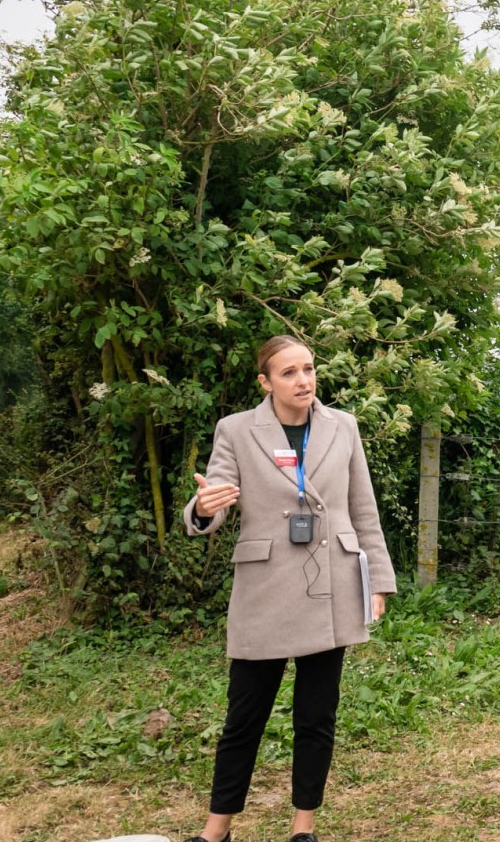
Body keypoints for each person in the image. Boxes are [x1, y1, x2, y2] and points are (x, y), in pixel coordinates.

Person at [181, 335, 398, 842]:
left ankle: (303, 829)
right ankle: (216, 832)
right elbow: (213, 502)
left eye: (308, 369)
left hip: (335, 583)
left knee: (316, 716)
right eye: (288, 373)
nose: (303, 380)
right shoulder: (235, 430)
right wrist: (205, 508)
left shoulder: (343, 426)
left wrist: (379, 582)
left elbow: (363, 508)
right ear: (266, 382)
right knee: (243, 718)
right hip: (265, 589)